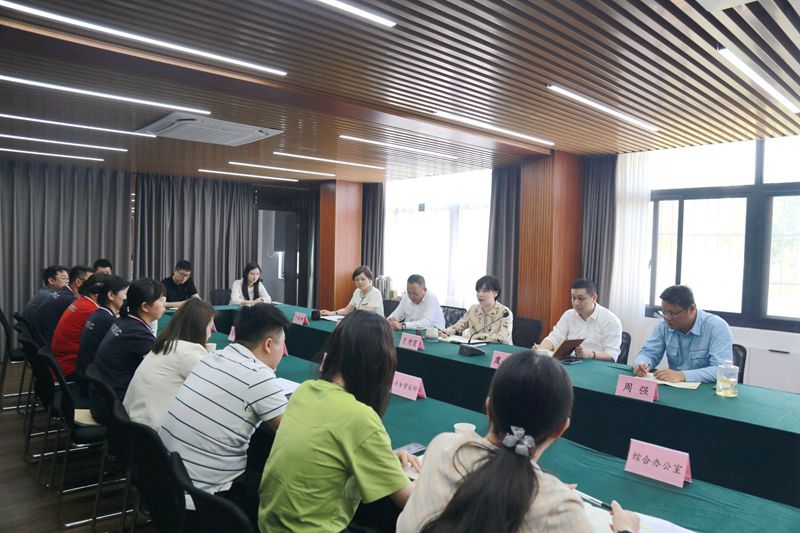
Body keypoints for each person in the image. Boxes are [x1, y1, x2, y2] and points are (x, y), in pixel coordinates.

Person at [396, 351, 640, 533]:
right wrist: (626, 530)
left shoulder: (443, 446)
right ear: (560, 429)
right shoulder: (561, 508)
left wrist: (543, 488)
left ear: (489, 408)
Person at [259, 311, 418, 532]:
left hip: (269, 524)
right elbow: (412, 501)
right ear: (380, 362)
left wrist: (385, 458)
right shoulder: (360, 417)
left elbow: (328, 447)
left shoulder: (305, 390)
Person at [160, 303, 290, 525]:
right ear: (269, 344)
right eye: (282, 344)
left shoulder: (212, 357)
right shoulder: (258, 376)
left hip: (167, 487)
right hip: (207, 502)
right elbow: (293, 434)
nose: (283, 351)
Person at [124, 299, 216, 430]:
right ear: (199, 328)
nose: (211, 333)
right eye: (210, 327)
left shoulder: (167, 344)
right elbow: (215, 385)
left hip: (133, 423)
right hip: (152, 431)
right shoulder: (188, 352)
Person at [91, 278, 166, 415]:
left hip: (101, 398)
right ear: (145, 306)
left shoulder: (125, 320)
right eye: (161, 300)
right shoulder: (138, 334)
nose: (164, 304)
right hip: (114, 407)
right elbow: (159, 374)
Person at [633, 285, 733, 383]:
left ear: (692, 309)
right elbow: (648, 353)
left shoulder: (716, 327)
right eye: (664, 312)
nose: (667, 318)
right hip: (674, 386)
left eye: (672, 314)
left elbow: (721, 370)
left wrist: (683, 375)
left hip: (704, 389)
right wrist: (642, 364)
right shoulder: (664, 325)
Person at [535, 278, 623, 361]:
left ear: (594, 298)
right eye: (573, 298)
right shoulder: (569, 315)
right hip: (571, 362)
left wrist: (591, 354)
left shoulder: (610, 320)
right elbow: (555, 337)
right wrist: (541, 349)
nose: (576, 303)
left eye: (581, 298)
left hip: (597, 364)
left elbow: (612, 355)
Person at [51, 273, 108, 378]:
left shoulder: (81, 302)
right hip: (71, 366)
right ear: (98, 293)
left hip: (60, 361)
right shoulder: (92, 310)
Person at [76, 275, 130, 382]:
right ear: (111, 295)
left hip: (86, 374)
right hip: (94, 381)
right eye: (125, 294)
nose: (127, 298)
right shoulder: (107, 319)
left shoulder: (99, 314)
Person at [30, 265, 92, 346]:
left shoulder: (64, 293)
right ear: (78, 282)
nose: (93, 285)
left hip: (42, 340)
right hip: (49, 344)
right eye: (91, 281)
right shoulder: (70, 300)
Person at [441, 275, 512, 344]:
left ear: (495, 293)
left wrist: (478, 336)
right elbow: (457, 327)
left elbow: (503, 338)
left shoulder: (504, 313)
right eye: (478, 291)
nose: (480, 294)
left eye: (484, 291)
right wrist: (447, 332)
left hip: (499, 350)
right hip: (477, 348)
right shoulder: (473, 309)